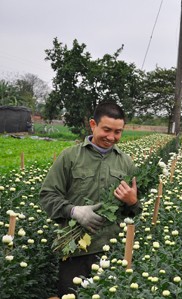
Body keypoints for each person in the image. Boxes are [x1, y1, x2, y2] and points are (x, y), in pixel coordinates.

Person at [40, 102, 142, 297]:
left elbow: (135, 212)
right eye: (107, 130)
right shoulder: (70, 157)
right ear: (93, 124)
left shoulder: (126, 162)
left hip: (111, 250)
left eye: (118, 132)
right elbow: (47, 195)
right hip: (74, 250)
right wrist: (73, 211)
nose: (112, 137)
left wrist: (132, 202)